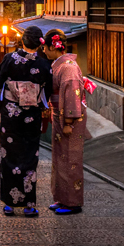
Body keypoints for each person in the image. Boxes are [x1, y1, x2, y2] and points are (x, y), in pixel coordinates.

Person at [0, 26, 52, 217]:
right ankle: (29, 205)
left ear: (23, 40)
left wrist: (9, 98)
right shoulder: (44, 65)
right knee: (29, 157)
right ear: (39, 43)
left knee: (9, 155)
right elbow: (47, 91)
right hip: (32, 116)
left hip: (11, 115)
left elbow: (0, 84)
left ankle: (9, 204)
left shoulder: (9, 59)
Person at [42, 28, 85, 215]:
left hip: (69, 119)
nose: (43, 51)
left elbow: (72, 95)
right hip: (59, 115)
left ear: (54, 45)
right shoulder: (59, 65)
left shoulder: (67, 67)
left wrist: (68, 122)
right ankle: (61, 198)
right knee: (60, 158)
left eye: (45, 47)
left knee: (71, 158)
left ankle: (72, 202)